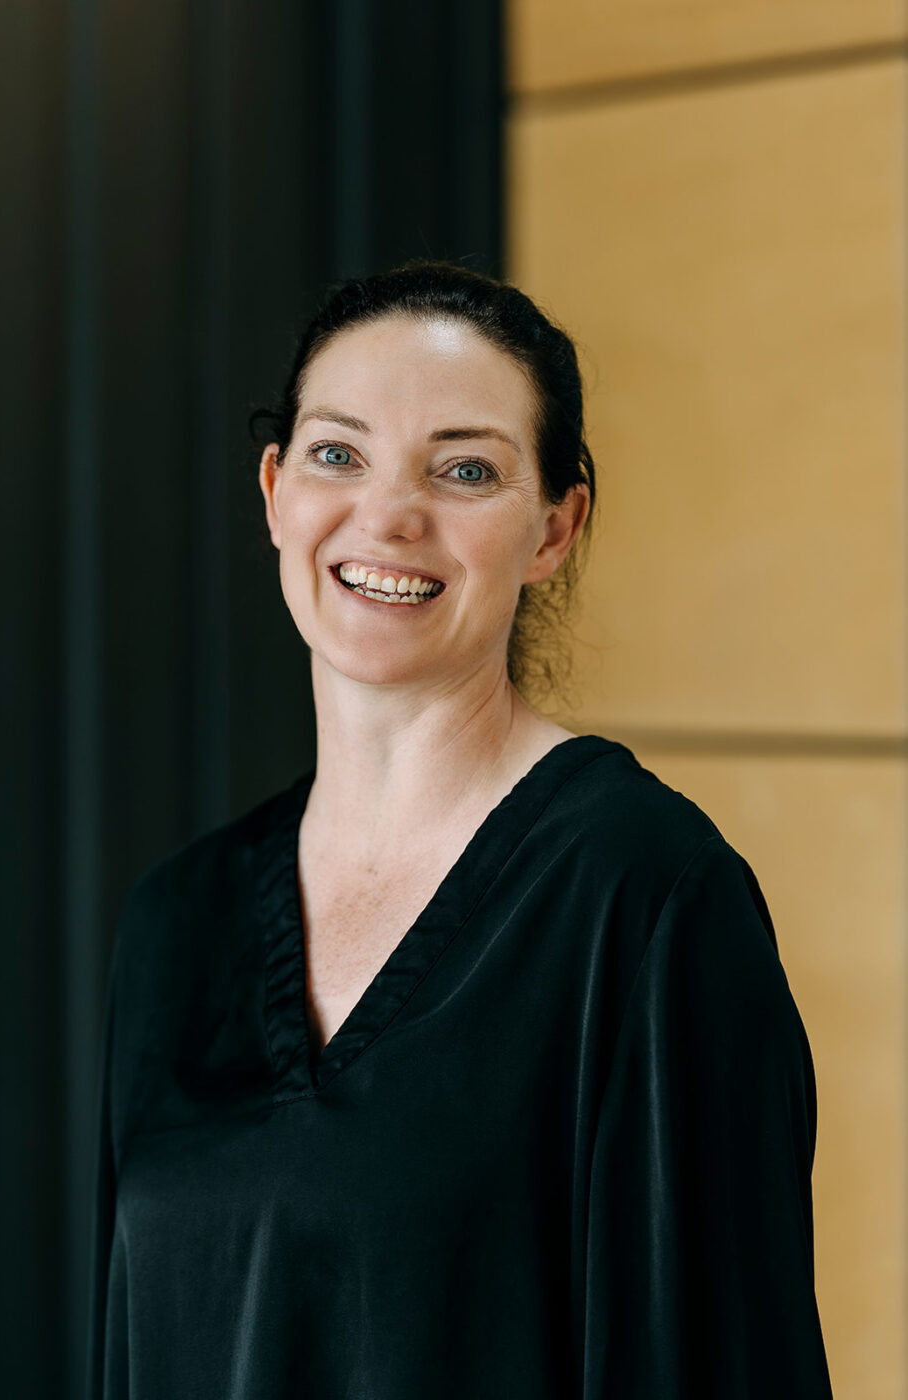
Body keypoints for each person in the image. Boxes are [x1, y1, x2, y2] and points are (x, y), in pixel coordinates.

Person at [86, 260, 834, 1398]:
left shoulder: (645, 898)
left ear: (554, 527)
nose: (389, 513)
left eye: (466, 468)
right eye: (338, 453)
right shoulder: (177, 916)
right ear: (276, 489)